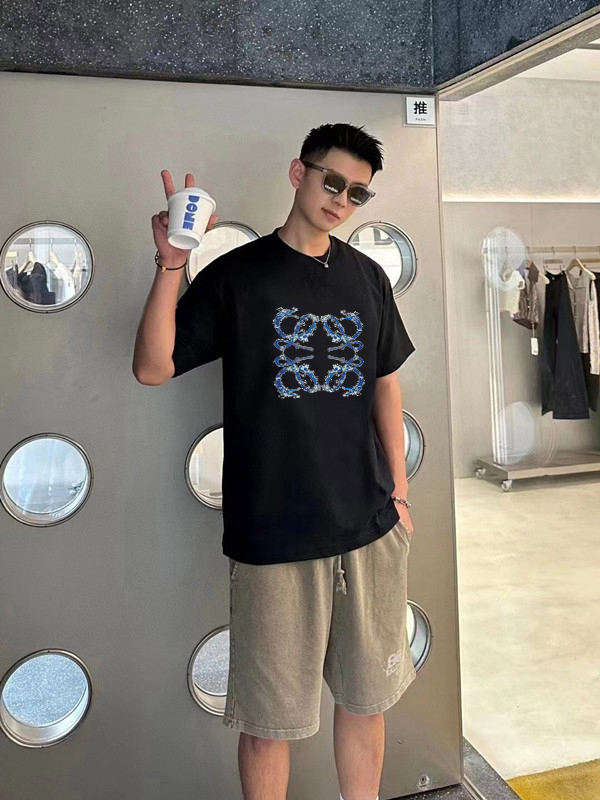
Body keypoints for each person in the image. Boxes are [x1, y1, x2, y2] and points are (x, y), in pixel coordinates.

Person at [132, 122, 417, 800]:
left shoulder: (367, 277)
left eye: (358, 193)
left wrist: (400, 492)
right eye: (333, 182)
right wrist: (171, 265)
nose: (342, 200)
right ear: (298, 173)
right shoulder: (238, 277)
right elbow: (152, 366)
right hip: (274, 535)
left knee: (366, 702)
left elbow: (385, 382)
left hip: (370, 526)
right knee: (268, 725)